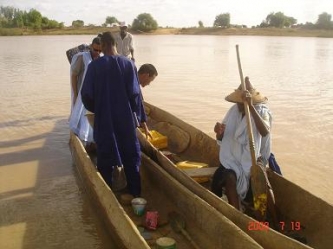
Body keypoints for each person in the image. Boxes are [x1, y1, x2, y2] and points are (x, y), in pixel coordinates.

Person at [81, 31, 145, 197]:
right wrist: (138, 117)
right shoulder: (129, 64)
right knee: (130, 153)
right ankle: (135, 191)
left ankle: (107, 192)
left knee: (105, 153)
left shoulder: (94, 66)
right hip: (125, 118)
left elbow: (86, 95)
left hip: (104, 117)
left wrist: (98, 108)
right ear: (115, 44)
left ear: (102, 46)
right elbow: (135, 94)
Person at [211, 77, 272, 211]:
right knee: (228, 177)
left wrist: (250, 106)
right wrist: (219, 132)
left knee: (263, 183)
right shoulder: (233, 111)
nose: (239, 105)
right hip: (232, 159)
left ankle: (265, 214)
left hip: (255, 158)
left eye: (241, 102)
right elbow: (223, 139)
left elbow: (264, 131)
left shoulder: (263, 112)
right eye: (238, 102)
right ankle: (237, 213)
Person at [69, 36, 101, 150]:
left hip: (92, 94)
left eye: (100, 51)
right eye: (95, 50)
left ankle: (90, 141)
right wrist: (76, 95)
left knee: (89, 120)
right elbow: (74, 76)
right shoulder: (82, 58)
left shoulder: (100, 59)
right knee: (80, 118)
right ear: (91, 47)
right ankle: (81, 141)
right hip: (81, 93)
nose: (97, 53)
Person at [137, 63, 158, 137]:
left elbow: (139, 106)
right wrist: (145, 127)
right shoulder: (134, 87)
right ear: (146, 75)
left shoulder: (134, 83)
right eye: (150, 80)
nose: (149, 84)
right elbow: (138, 107)